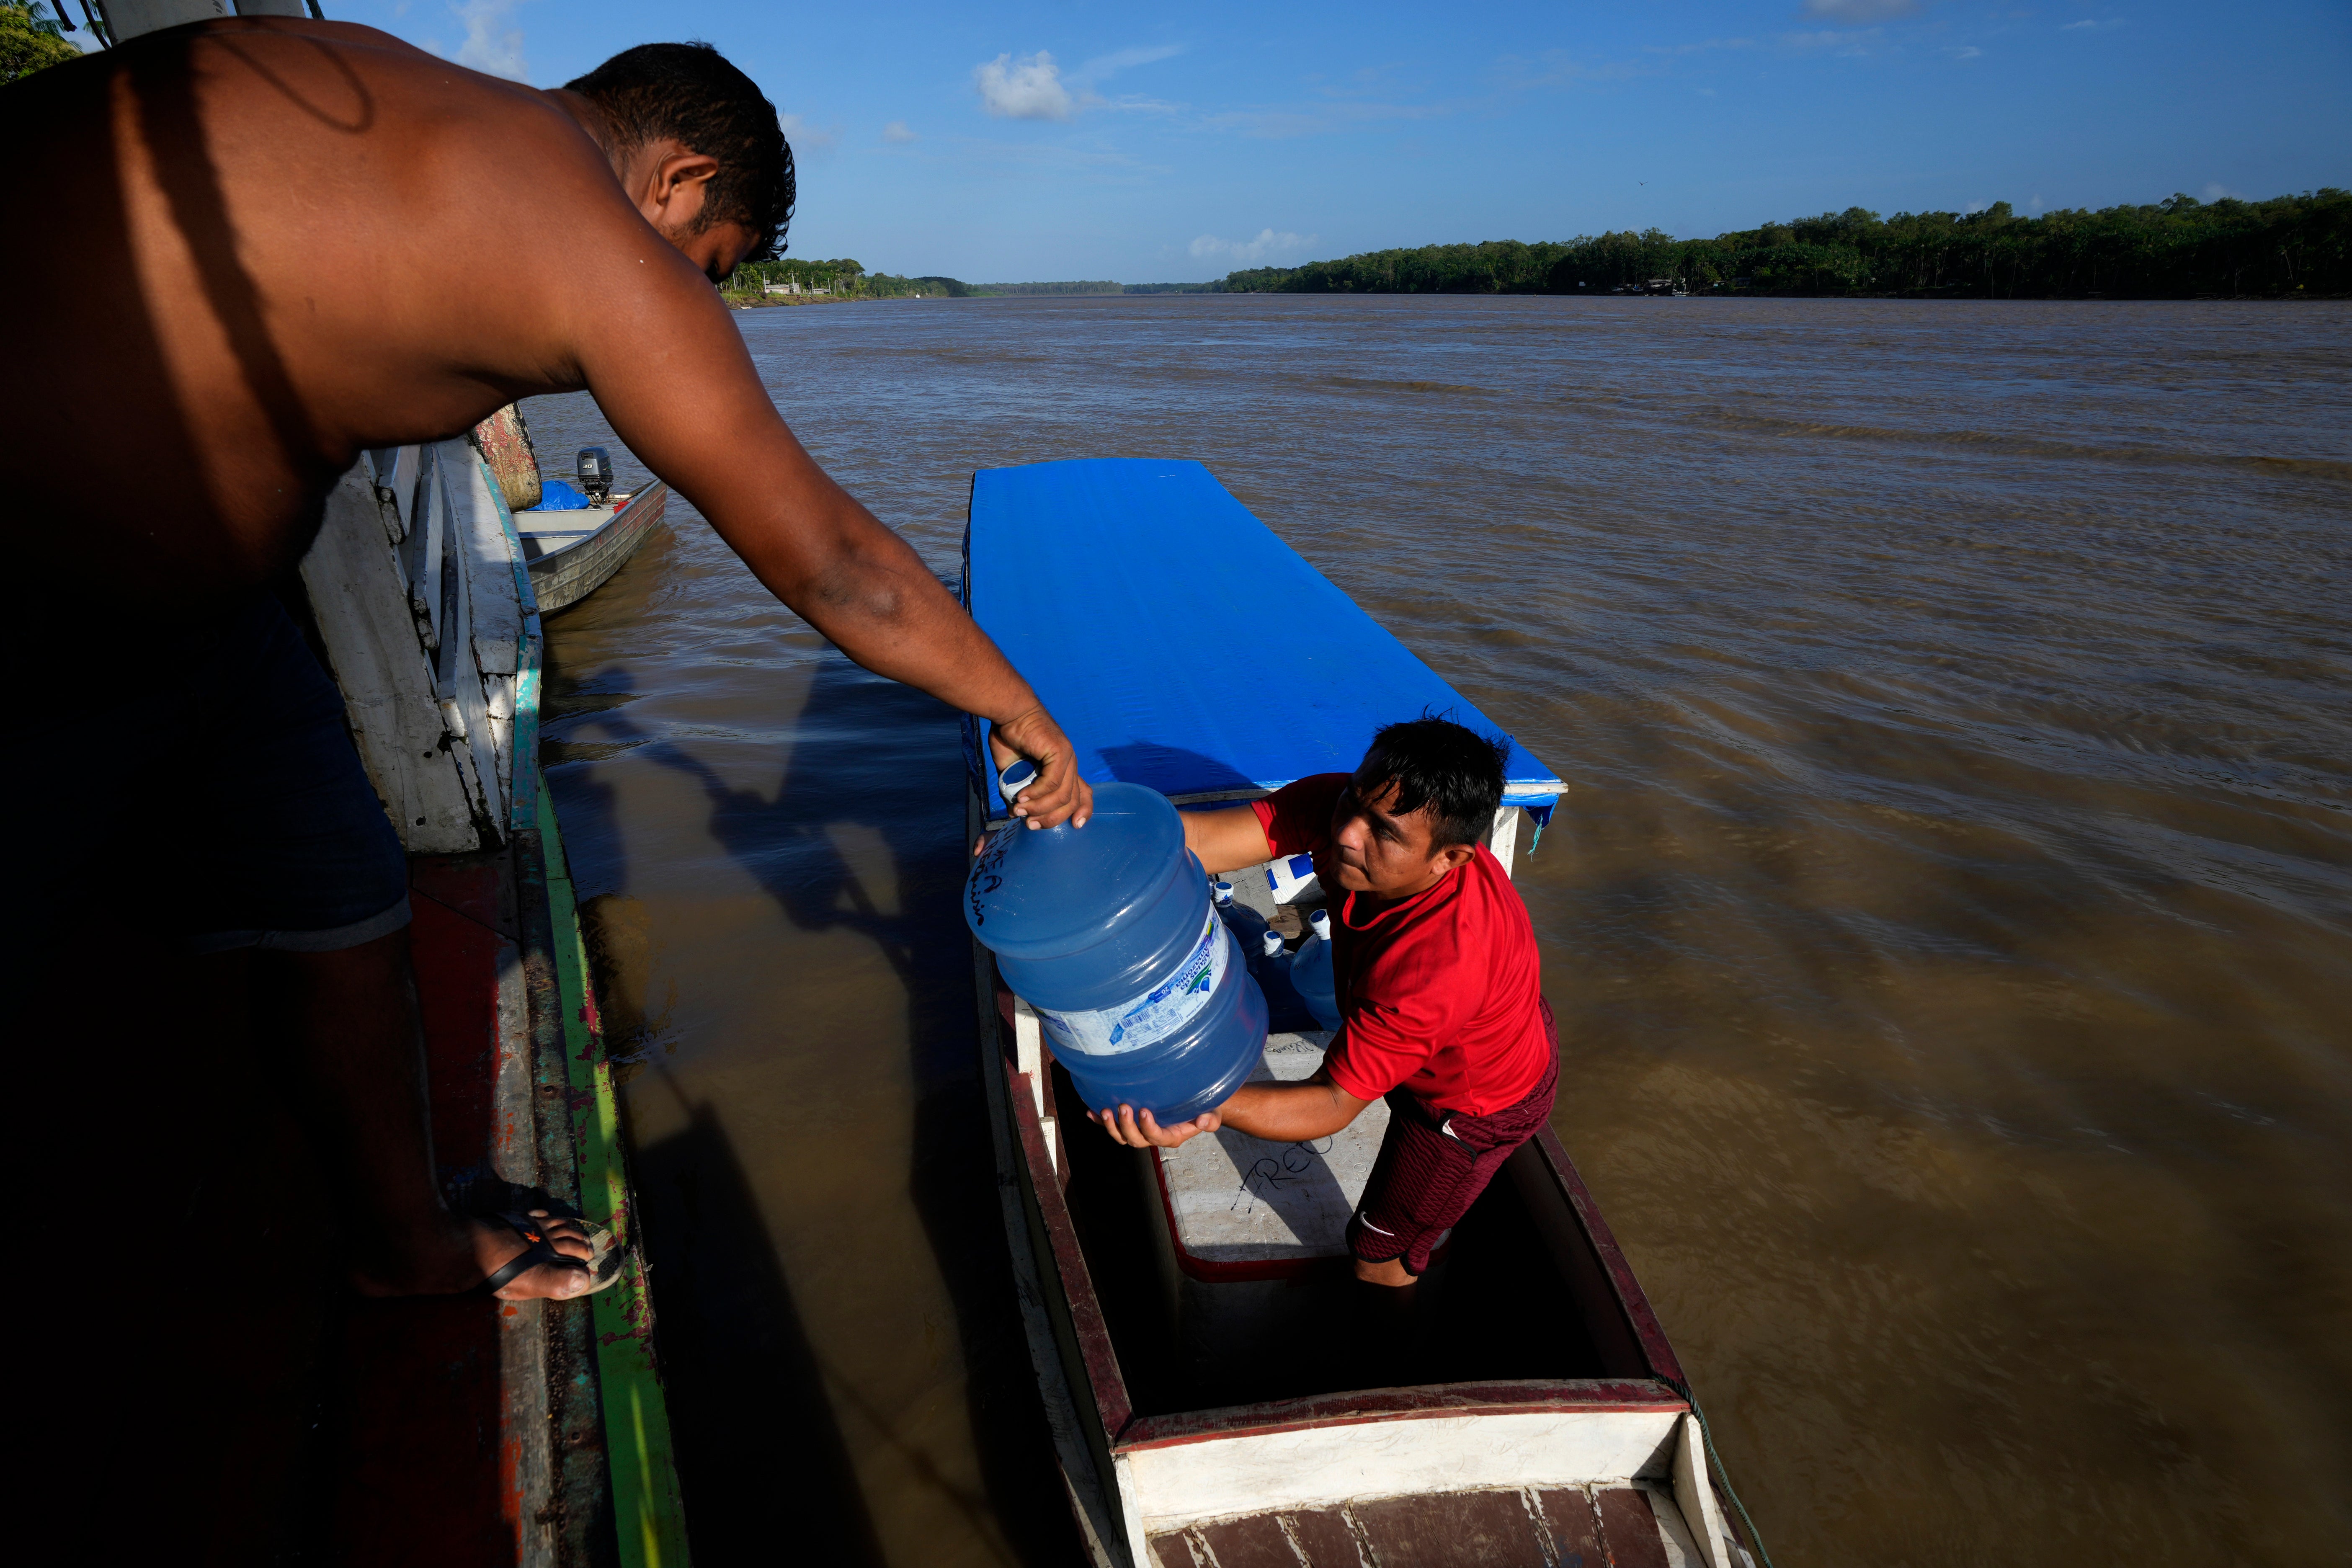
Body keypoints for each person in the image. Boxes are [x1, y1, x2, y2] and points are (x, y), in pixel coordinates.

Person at [3, 21, 1090, 1299]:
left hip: (211, 623)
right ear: (679, 181)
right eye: (711, 261)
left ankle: (404, 1240)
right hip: (45, 614)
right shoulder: (592, 238)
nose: (695, 292)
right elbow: (835, 565)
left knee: (340, 898)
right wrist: (1022, 709)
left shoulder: (391, 90)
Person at [1092, 718, 1559, 1304]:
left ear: (1451, 858)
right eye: (1353, 800)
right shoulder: (1353, 810)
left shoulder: (1436, 969)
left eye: (1384, 833)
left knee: (1378, 1256)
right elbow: (1200, 839)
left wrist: (1194, 1102)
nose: (1347, 833)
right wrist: (1068, 838)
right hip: (1483, 1025)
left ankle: (1388, 1365)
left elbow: (1332, 1102)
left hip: (1472, 1104)